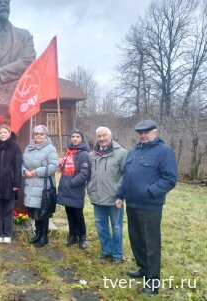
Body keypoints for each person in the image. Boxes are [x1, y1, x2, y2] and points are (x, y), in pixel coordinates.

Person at [117, 120, 177, 296]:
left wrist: (150, 192)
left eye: (147, 132)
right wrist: (120, 195)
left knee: (150, 243)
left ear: (155, 132)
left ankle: (152, 282)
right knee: (136, 239)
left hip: (150, 206)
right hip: (132, 204)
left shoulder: (164, 151)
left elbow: (170, 179)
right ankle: (143, 269)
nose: (143, 135)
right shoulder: (134, 151)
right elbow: (127, 175)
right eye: (140, 132)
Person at [87, 127, 127, 263]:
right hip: (97, 197)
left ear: (110, 136)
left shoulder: (121, 153)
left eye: (104, 135)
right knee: (101, 225)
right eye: (99, 136)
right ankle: (106, 250)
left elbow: (126, 175)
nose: (102, 138)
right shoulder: (92, 155)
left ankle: (117, 254)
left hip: (114, 198)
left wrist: (120, 195)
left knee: (116, 227)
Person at [22, 125, 59, 248]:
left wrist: (37, 171)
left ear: (46, 135)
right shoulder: (29, 148)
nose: (38, 135)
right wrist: (24, 171)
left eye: (41, 133)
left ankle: (44, 236)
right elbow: (22, 163)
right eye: (36, 133)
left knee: (43, 212)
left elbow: (54, 166)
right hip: (30, 184)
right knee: (35, 212)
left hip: (43, 186)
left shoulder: (50, 148)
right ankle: (37, 234)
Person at [57, 129, 91, 250]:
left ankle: (82, 237)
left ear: (82, 138)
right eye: (73, 136)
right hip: (65, 188)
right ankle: (72, 235)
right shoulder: (69, 152)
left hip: (75, 188)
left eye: (77, 136)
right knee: (69, 212)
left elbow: (84, 173)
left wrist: (72, 183)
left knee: (78, 214)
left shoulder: (84, 154)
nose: (75, 139)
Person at [0, 124, 22, 244]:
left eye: (5, 132)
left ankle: (7, 233)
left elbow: (18, 166)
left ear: (9, 133)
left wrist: (17, 182)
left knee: (8, 210)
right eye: (0, 132)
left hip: (10, 184)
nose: (3, 134)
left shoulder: (15, 147)